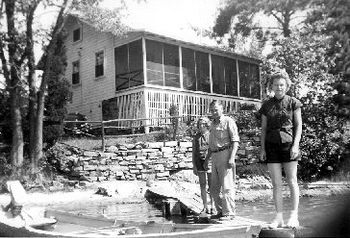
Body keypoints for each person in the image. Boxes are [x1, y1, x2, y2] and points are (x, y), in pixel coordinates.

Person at [259, 71, 302, 228]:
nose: (279, 87)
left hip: (289, 146)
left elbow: (299, 126)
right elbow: (263, 129)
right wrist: (262, 149)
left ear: (287, 86)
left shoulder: (294, 103)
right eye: (276, 85)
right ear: (272, 86)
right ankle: (278, 217)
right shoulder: (266, 105)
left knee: (292, 180)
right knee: (276, 184)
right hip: (271, 147)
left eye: (282, 85)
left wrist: (296, 145)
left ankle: (294, 216)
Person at [204, 100, 239, 221]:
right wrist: (206, 159)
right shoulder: (212, 124)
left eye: (216, 109)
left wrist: (232, 157)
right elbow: (211, 144)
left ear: (222, 109)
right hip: (214, 156)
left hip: (225, 154)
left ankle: (229, 213)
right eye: (212, 110)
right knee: (214, 188)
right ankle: (220, 211)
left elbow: (235, 141)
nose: (213, 112)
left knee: (227, 186)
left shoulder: (228, 121)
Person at [192, 117, 213, 217]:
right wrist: (194, 165)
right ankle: (205, 206)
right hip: (199, 161)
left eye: (203, 124)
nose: (201, 126)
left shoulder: (211, 135)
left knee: (212, 185)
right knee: (202, 185)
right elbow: (194, 152)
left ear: (207, 124)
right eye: (199, 124)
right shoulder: (196, 137)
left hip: (209, 161)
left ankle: (213, 206)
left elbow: (212, 149)